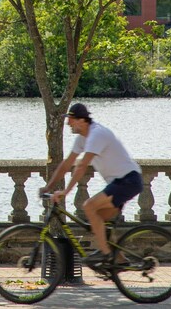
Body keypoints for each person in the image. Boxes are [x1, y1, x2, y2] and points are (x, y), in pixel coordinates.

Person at [40, 103, 142, 269]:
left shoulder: (97, 134)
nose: (68, 123)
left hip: (127, 180)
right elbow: (67, 164)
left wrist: (66, 191)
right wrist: (48, 186)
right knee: (99, 221)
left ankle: (105, 253)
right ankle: (119, 260)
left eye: (71, 119)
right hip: (119, 183)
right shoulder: (82, 139)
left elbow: (81, 166)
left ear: (82, 120)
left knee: (89, 206)